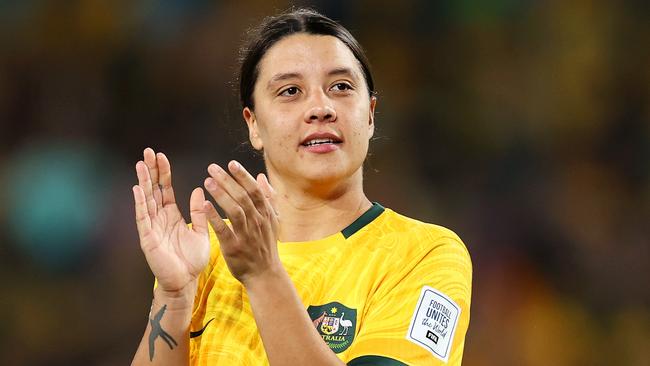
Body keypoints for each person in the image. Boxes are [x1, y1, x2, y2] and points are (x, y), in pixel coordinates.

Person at [131, 8, 471, 366]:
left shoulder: (424, 254)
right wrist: (175, 296)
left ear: (370, 114)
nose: (320, 108)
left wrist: (264, 276)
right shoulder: (206, 253)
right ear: (254, 125)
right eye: (290, 91)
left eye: (341, 87)